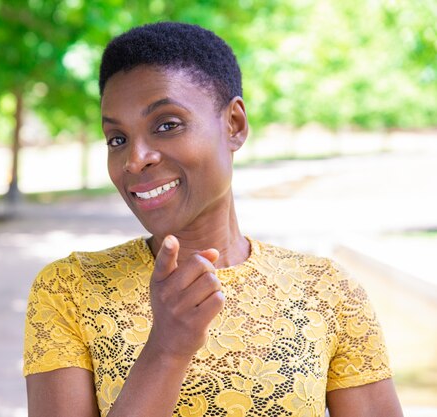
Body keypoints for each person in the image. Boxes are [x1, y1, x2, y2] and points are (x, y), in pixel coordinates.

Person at [23, 22, 403, 417]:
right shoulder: (70, 289)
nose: (135, 159)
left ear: (234, 124)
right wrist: (166, 350)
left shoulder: (329, 292)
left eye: (167, 125)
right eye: (117, 138)